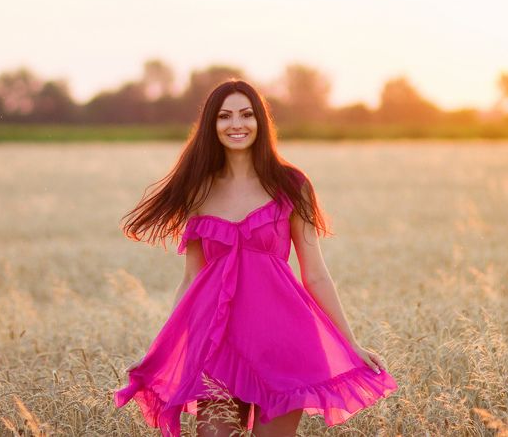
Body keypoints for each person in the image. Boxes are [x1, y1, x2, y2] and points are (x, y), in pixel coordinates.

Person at [114, 79, 398, 436]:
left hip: (284, 343)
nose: (237, 124)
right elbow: (191, 280)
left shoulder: (291, 184)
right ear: (211, 126)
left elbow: (316, 275)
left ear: (261, 122)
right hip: (219, 345)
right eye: (225, 116)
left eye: (247, 115)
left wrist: (351, 343)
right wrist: (161, 350)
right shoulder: (198, 191)